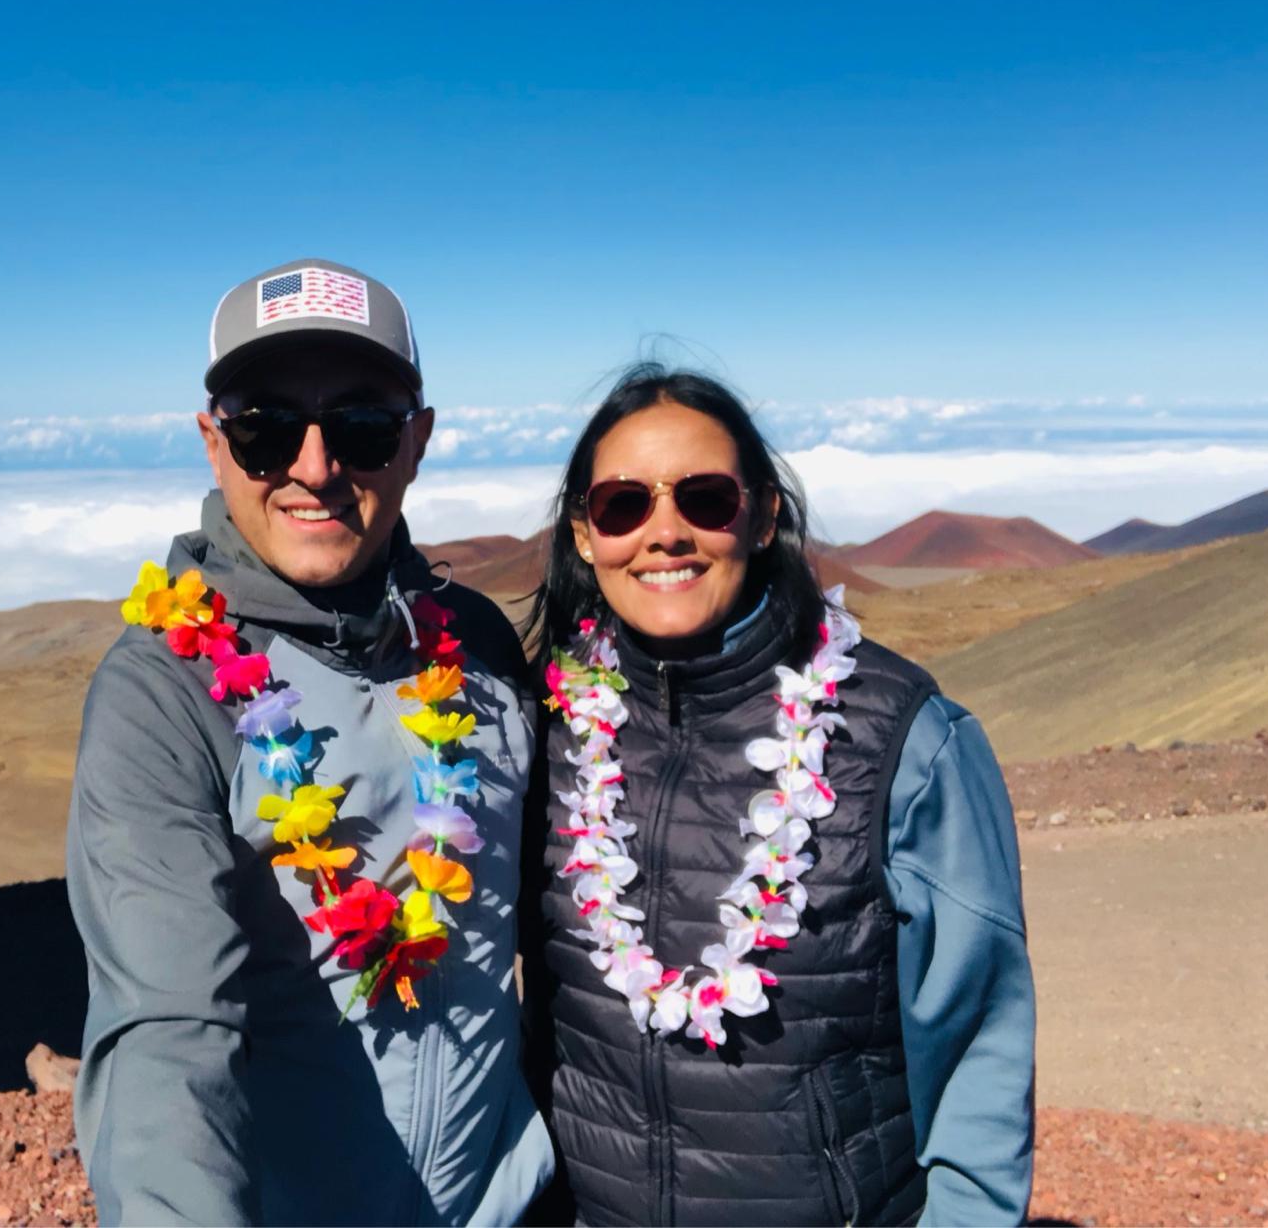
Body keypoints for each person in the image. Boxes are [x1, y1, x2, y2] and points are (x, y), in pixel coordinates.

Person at [67, 259, 554, 1226]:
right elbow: (168, 1031)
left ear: (417, 441)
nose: (316, 466)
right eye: (266, 427)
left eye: (363, 425)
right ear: (213, 442)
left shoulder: (479, 650)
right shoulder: (164, 692)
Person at [524, 364, 1035, 1226]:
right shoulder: (551, 728)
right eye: (623, 505)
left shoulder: (901, 740)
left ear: (762, 515)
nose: (665, 534)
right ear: (584, 533)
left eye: (706, 499)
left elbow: (980, 1043)